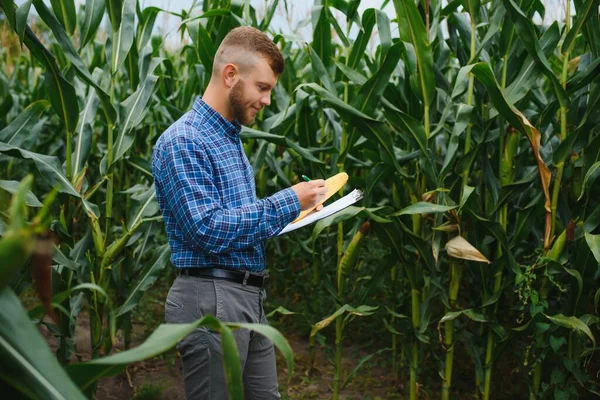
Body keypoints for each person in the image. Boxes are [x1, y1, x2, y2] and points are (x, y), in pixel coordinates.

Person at [151, 26, 328, 399]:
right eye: (261, 87)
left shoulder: (228, 138)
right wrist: (287, 202)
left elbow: (239, 220)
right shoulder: (185, 140)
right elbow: (206, 227)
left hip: (247, 296)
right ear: (230, 74)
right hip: (211, 297)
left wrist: (296, 213)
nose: (266, 100)